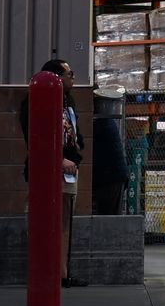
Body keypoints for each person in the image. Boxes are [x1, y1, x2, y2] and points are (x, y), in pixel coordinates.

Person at [19, 59, 86, 288]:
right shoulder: (35, 100)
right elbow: (36, 138)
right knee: (49, 223)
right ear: (57, 78)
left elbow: (74, 133)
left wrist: (76, 151)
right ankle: (50, 274)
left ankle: (62, 273)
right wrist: (58, 159)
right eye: (70, 74)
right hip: (50, 170)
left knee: (64, 224)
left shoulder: (68, 102)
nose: (73, 78)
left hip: (68, 170)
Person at [90, 85, 129, 216]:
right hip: (111, 178)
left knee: (109, 215)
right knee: (109, 213)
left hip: (111, 179)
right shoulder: (104, 122)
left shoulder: (101, 124)